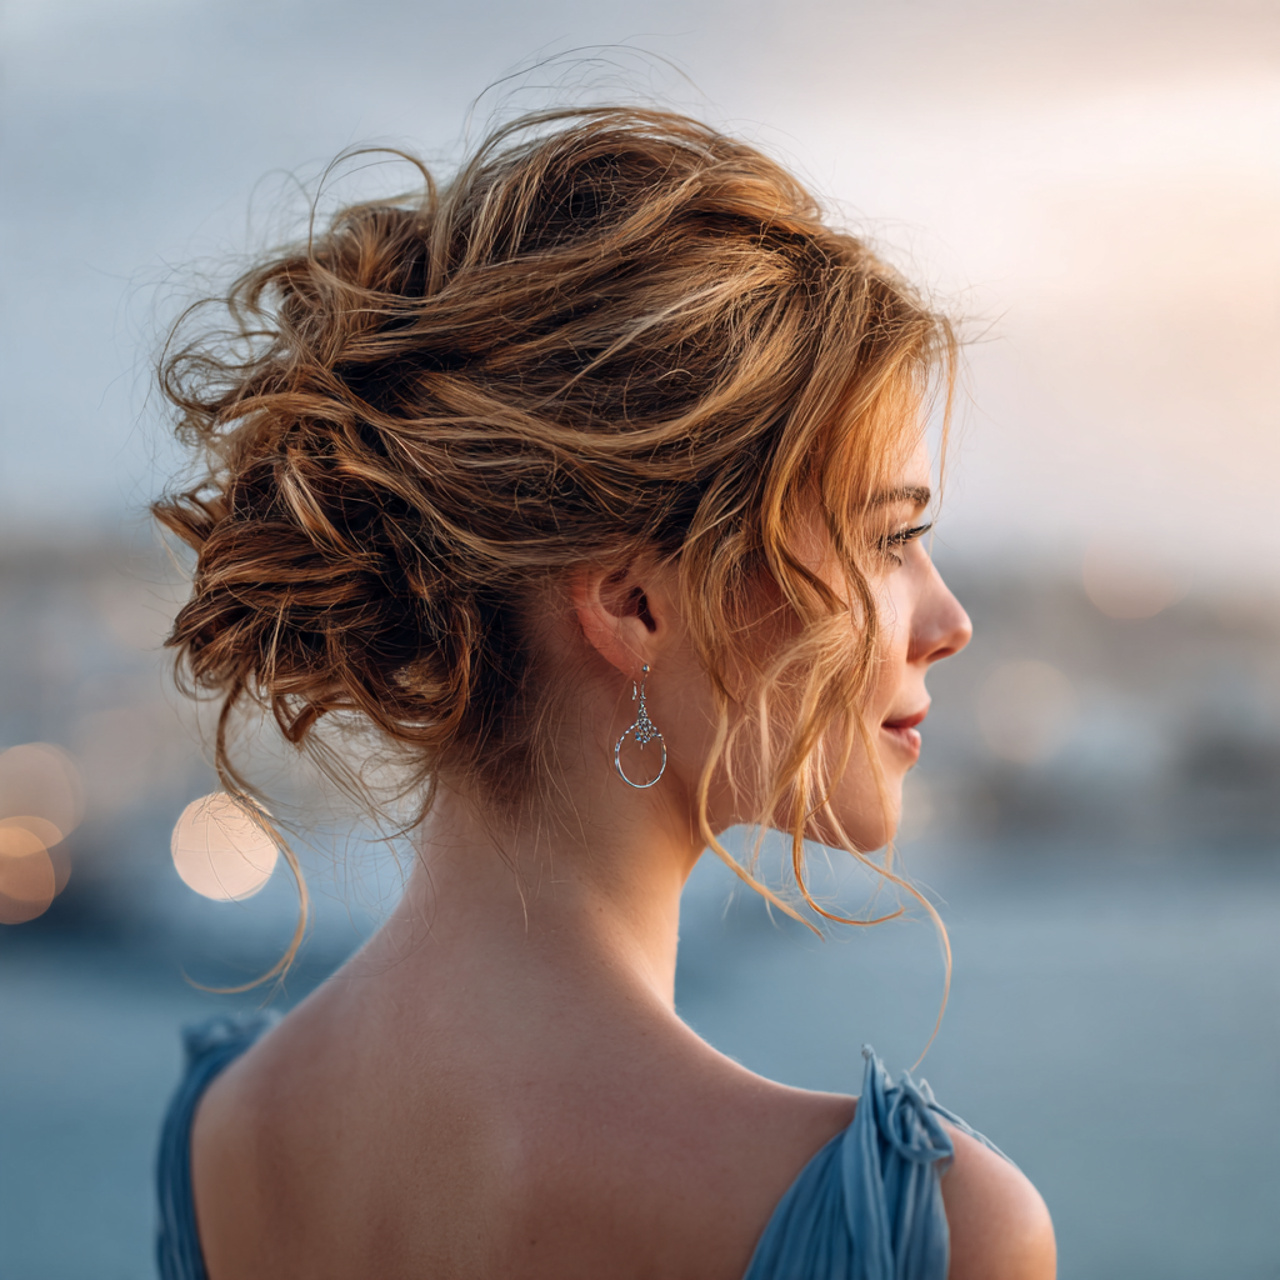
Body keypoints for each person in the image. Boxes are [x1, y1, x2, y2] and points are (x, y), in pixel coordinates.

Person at [152, 107, 1055, 1279]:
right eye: (889, 540)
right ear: (633, 605)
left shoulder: (223, 1131)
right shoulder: (924, 1231)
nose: (946, 620)